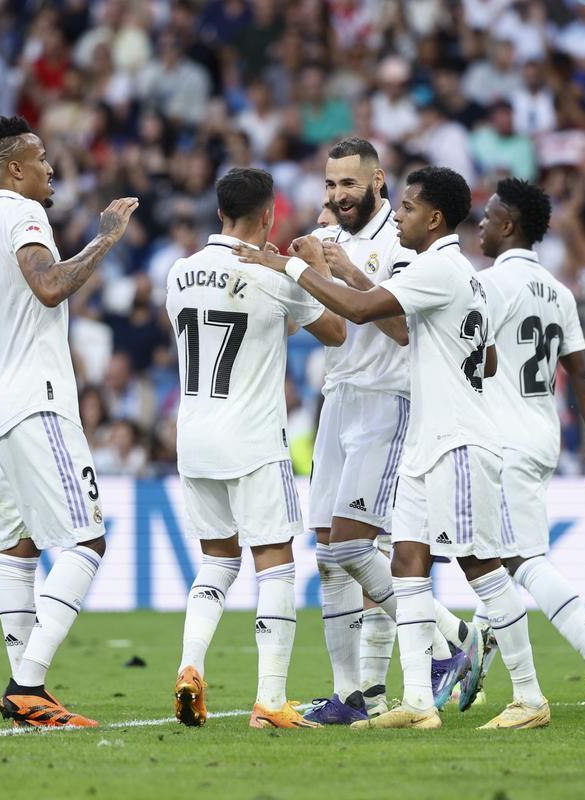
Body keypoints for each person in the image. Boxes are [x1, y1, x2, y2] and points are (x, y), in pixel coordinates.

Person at [236, 166, 550, 730]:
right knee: (406, 564)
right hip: (427, 442)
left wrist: (289, 265)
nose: (398, 216)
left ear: (434, 219)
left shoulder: (438, 268)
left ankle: (529, 697)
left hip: (458, 441)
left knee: (480, 565)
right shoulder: (465, 275)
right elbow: (489, 357)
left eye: (406, 209)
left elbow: (357, 312)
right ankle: (419, 704)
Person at [0, 116, 138, 727]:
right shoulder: (21, 216)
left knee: (18, 550)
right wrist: (106, 237)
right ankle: (27, 685)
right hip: (36, 401)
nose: (50, 167)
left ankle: (28, 689)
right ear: (14, 169)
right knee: (86, 540)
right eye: (41, 157)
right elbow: (51, 286)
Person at [298, 138, 473, 725]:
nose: (337, 196)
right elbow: (336, 330)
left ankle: (450, 639)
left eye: (348, 184)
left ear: (378, 182)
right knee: (329, 555)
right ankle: (352, 695)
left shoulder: (401, 241)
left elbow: (401, 330)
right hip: (338, 399)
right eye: (329, 185)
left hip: (388, 403)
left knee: (354, 543)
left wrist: (344, 275)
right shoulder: (330, 238)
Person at [167, 167, 346, 730]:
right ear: (269, 214)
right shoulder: (274, 277)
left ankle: (190, 665)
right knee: (274, 562)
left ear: (219, 211)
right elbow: (336, 330)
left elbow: (249, 328)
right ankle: (271, 699)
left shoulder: (179, 273)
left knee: (216, 561)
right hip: (251, 440)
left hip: (194, 437)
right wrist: (310, 266)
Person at [473, 177, 585, 705]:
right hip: (543, 434)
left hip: (504, 437)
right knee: (495, 555)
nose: (481, 225)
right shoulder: (558, 290)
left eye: (489, 217)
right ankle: (467, 668)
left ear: (509, 226)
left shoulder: (490, 285)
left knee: (520, 560)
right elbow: (582, 376)